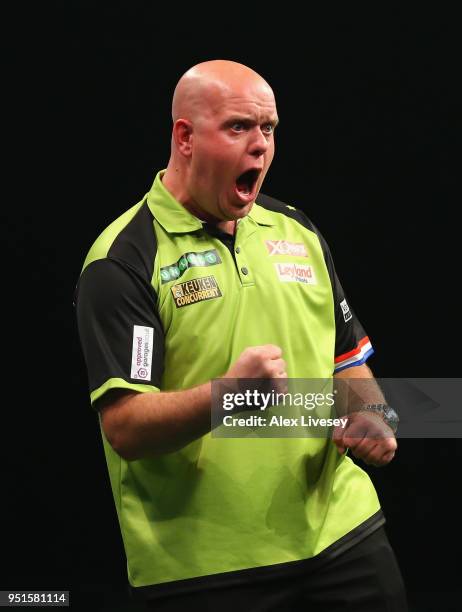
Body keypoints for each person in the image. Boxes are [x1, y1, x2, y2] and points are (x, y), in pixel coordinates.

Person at [75, 60, 408, 611]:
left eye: (269, 129)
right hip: (209, 570)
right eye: (238, 127)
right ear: (185, 137)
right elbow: (126, 427)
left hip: (345, 539)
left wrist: (371, 414)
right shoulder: (123, 261)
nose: (261, 147)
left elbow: (347, 361)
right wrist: (227, 397)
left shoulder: (297, 231)